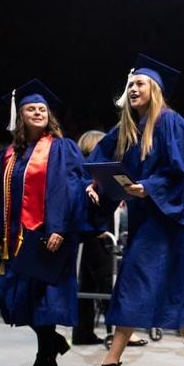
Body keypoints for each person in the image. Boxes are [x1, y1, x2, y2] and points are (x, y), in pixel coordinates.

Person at [82, 55, 184, 366]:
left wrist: (149, 187)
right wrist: (95, 182)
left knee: (131, 281)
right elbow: (101, 157)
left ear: (155, 90)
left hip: (166, 218)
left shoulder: (170, 123)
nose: (133, 88)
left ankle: (111, 365)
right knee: (176, 286)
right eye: (130, 85)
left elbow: (181, 172)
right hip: (145, 217)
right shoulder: (126, 128)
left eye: (140, 83)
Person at [0, 79, 85, 366]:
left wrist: (59, 227)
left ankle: (45, 362)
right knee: (18, 299)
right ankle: (52, 346)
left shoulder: (62, 148)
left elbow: (70, 188)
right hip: (17, 239)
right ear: (19, 116)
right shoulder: (10, 154)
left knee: (44, 301)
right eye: (30, 109)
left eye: (42, 109)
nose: (37, 113)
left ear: (49, 115)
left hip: (48, 237)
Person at [73, 130, 115, 346]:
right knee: (107, 281)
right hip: (96, 234)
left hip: (86, 235)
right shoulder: (93, 173)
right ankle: (116, 331)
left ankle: (83, 332)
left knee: (87, 284)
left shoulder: (83, 170)